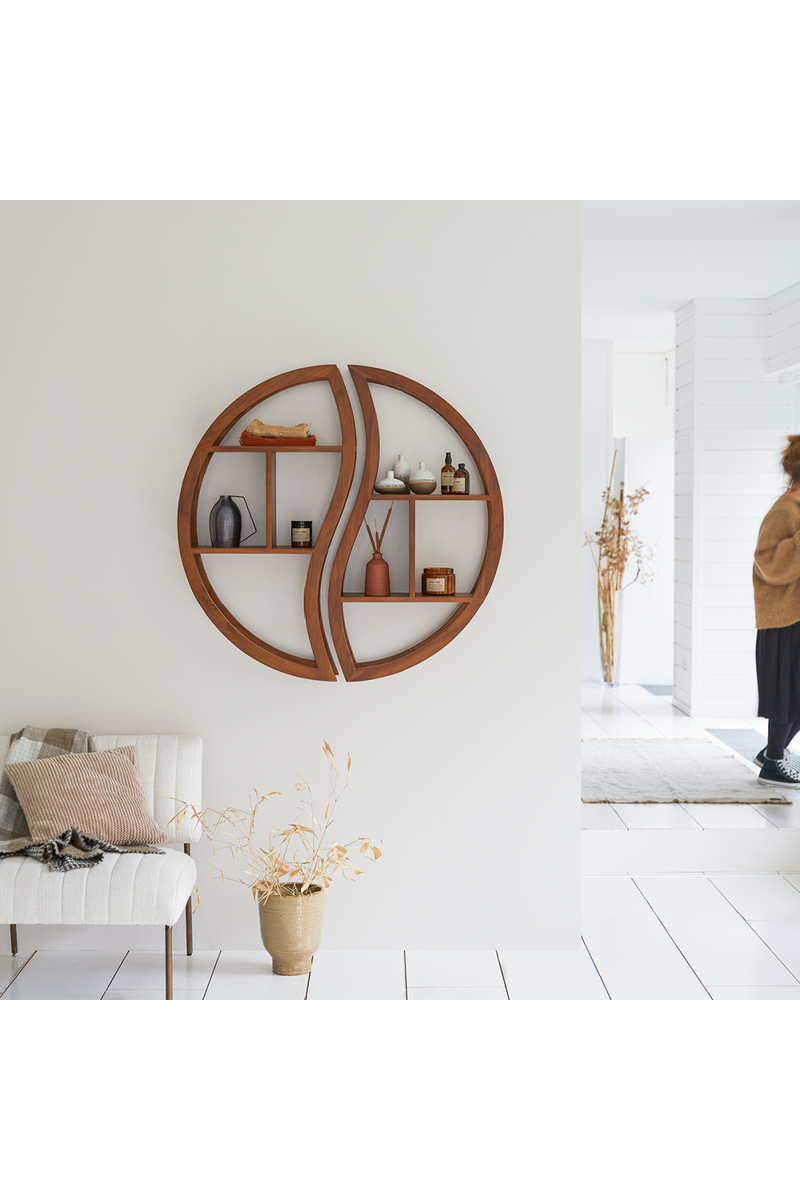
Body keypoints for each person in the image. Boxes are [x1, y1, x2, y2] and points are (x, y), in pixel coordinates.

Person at [753, 434, 800, 786]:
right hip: (786, 618)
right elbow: (768, 564)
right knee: (786, 691)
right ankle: (773, 760)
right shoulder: (785, 510)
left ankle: (774, 750)